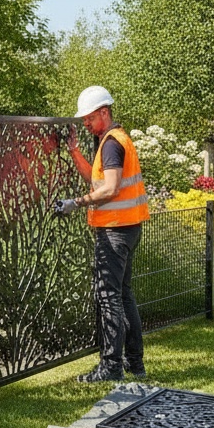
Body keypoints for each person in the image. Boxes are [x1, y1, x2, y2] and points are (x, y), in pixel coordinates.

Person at [53, 86, 150, 382]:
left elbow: (108, 190)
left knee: (109, 297)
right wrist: (74, 152)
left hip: (115, 231)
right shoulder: (114, 140)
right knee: (123, 294)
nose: (85, 123)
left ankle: (110, 367)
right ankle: (135, 363)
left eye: (89, 118)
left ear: (104, 113)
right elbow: (97, 180)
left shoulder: (110, 143)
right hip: (129, 227)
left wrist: (75, 203)